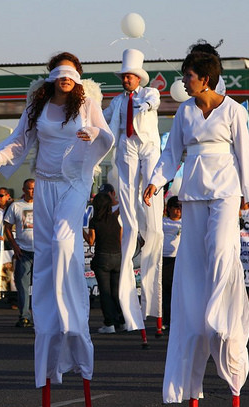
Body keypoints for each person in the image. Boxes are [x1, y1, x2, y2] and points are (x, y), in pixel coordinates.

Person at [0, 51, 114, 407]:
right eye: (61, 74)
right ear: (53, 77)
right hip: (44, 184)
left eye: (72, 74)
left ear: (78, 78)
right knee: (45, 257)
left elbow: (106, 136)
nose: (66, 78)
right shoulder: (37, 106)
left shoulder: (87, 102)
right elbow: (19, 141)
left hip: (75, 182)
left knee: (63, 241)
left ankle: (73, 316)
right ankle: (49, 318)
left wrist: (92, 134)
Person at [143, 51, 249, 407]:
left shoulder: (234, 111)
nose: (183, 82)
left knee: (224, 251)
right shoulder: (184, 112)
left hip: (226, 191)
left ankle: (222, 317)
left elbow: (244, 155)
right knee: (193, 261)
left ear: (205, 79)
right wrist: (155, 181)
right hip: (193, 191)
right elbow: (170, 154)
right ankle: (200, 319)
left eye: (188, 76)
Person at [102, 49, 163, 342]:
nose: (126, 80)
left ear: (138, 77)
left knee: (150, 208)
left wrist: (144, 105)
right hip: (126, 147)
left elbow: (153, 101)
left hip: (147, 146)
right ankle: (132, 236)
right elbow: (103, 120)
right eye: (124, 76)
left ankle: (147, 234)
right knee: (127, 199)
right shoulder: (116, 101)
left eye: (130, 76)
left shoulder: (148, 93)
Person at [84, 192, 124, 334]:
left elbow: (90, 241)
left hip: (102, 258)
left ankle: (109, 323)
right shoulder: (115, 219)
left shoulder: (95, 221)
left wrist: (82, 230)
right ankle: (123, 320)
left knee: (105, 293)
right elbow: (120, 240)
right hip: (117, 257)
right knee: (116, 292)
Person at [4, 179, 35, 327]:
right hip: (23, 251)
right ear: (23, 190)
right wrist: (14, 245)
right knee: (22, 285)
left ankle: (41, 317)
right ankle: (24, 316)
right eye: (29, 189)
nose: (32, 191)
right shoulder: (16, 206)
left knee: (41, 286)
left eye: (35, 188)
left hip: (42, 252)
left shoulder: (43, 204)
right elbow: (7, 227)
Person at [161, 196, 182, 331]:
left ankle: (178, 321)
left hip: (179, 260)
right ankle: (167, 321)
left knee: (178, 293)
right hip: (163, 260)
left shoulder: (186, 223)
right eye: (175, 208)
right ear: (168, 209)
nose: (178, 211)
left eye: (180, 208)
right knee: (166, 293)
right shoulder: (162, 222)